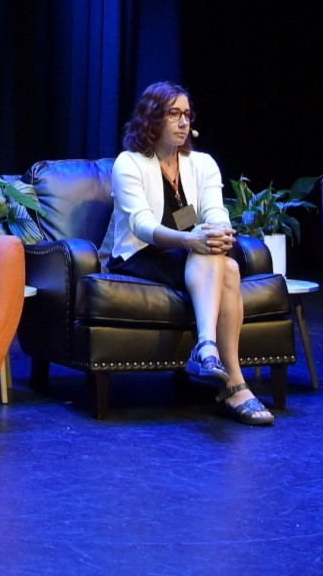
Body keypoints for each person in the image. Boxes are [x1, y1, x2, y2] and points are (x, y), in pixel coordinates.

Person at [101, 81, 274, 426]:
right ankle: (236, 385)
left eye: (186, 114)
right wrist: (190, 241)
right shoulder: (129, 163)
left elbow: (214, 210)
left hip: (193, 252)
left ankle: (208, 353)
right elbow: (141, 225)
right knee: (226, 268)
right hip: (141, 253)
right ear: (152, 119)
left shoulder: (202, 163)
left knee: (221, 259)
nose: (183, 122)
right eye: (173, 114)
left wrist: (218, 231)